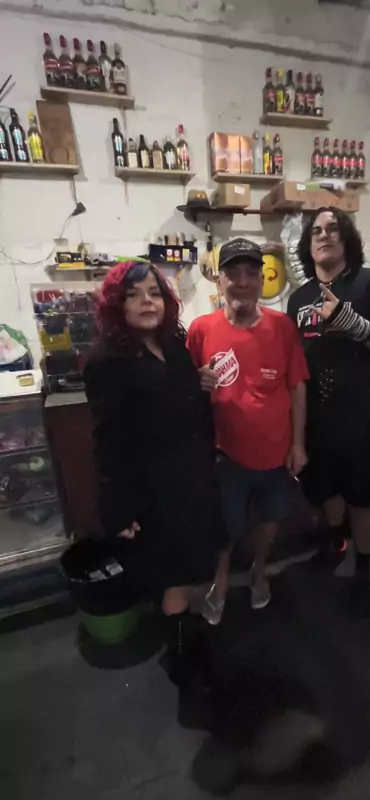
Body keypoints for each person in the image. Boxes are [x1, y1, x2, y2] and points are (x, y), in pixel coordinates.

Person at [83, 261, 223, 669]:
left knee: (193, 567)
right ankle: (179, 657)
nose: (147, 302)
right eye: (133, 295)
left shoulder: (174, 347)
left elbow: (180, 402)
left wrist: (200, 382)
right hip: (154, 494)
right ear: (116, 305)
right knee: (176, 576)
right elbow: (108, 442)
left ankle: (184, 636)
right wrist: (117, 509)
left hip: (193, 482)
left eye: (154, 293)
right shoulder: (108, 361)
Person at [287, 207, 370, 617]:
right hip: (316, 422)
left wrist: (353, 323)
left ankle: (364, 572)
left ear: (348, 239)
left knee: (362, 499)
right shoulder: (298, 298)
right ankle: (335, 542)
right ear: (308, 245)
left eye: (334, 229)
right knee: (326, 492)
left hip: (358, 420)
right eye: (316, 231)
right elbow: (294, 364)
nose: (324, 235)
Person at [187, 238, 309, 625]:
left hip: (276, 452)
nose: (242, 282)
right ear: (218, 279)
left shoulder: (282, 326)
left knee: (270, 521)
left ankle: (259, 571)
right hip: (226, 454)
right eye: (233, 273)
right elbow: (184, 390)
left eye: (251, 274)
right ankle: (221, 581)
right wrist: (195, 381)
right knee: (226, 527)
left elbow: (297, 387)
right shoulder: (201, 329)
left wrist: (299, 445)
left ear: (262, 279)